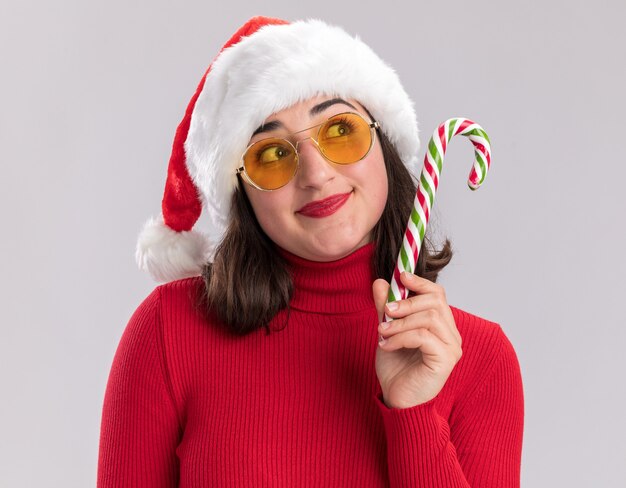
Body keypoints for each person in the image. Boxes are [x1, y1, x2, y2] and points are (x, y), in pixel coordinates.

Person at [97, 16, 524, 487]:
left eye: (340, 130)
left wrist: (414, 412)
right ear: (244, 191)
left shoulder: (481, 361)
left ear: (382, 142)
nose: (316, 174)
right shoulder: (167, 334)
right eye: (273, 153)